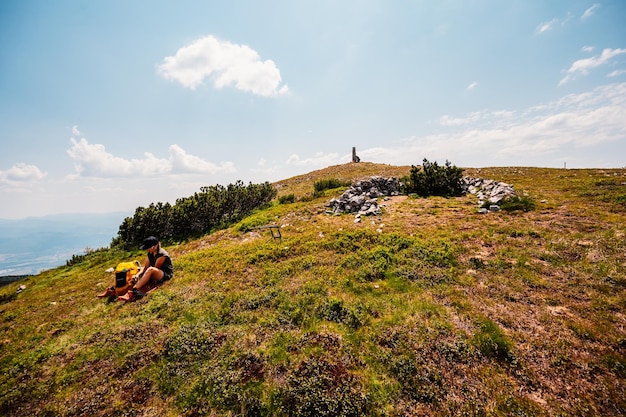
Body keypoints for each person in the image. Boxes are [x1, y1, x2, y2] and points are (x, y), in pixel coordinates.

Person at [97, 236, 173, 301]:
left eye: (149, 248)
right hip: (153, 271)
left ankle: (134, 291)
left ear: (154, 246)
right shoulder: (150, 253)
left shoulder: (162, 255)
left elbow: (154, 269)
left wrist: (142, 276)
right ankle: (113, 289)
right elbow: (146, 266)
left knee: (150, 270)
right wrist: (137, 275)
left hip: (164, 274)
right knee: (132, 270)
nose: (148, 250)